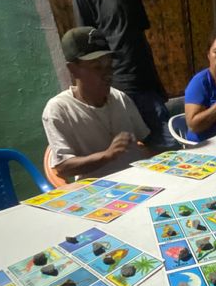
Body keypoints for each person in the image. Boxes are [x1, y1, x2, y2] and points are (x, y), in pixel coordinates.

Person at [72, 0, 176, 149]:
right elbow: (88, 51)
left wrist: (158, 84)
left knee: (169, 149)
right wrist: (99, 94)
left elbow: (141, 40)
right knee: (127, 157)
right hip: (116, 91)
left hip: (147, 89)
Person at [42, 27, 150, 180]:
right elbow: (63, 168)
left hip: (142, 181)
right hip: (100, 193)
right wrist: (107, 155)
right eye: (97, 67)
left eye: (109, 66)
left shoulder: (120, 97)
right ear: (73, 69)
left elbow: (141, 143)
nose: (107, 74)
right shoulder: (59, 109)